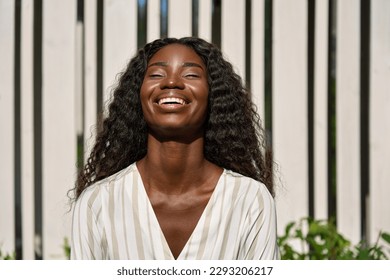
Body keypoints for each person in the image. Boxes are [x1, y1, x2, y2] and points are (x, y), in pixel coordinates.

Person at [70, 37, 279, 260]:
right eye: (156, 75)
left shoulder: (250, 200)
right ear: (137, 95)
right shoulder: (98, 203)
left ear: (213, 96)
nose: (172, 83)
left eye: (190, 75)